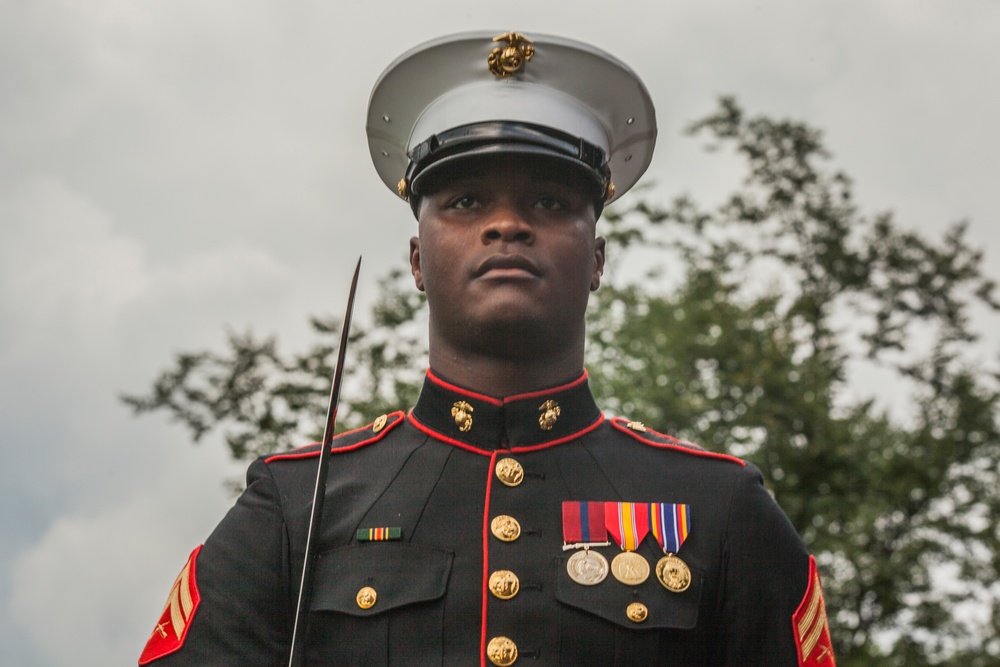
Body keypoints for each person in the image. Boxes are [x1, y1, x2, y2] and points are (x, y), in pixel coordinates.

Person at [138, 31, 836, 666]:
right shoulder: (296, 507)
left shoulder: (718, 509)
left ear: (596, 259)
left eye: (551, 203)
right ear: (417, 258)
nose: (507, 225)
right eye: (467, 201)